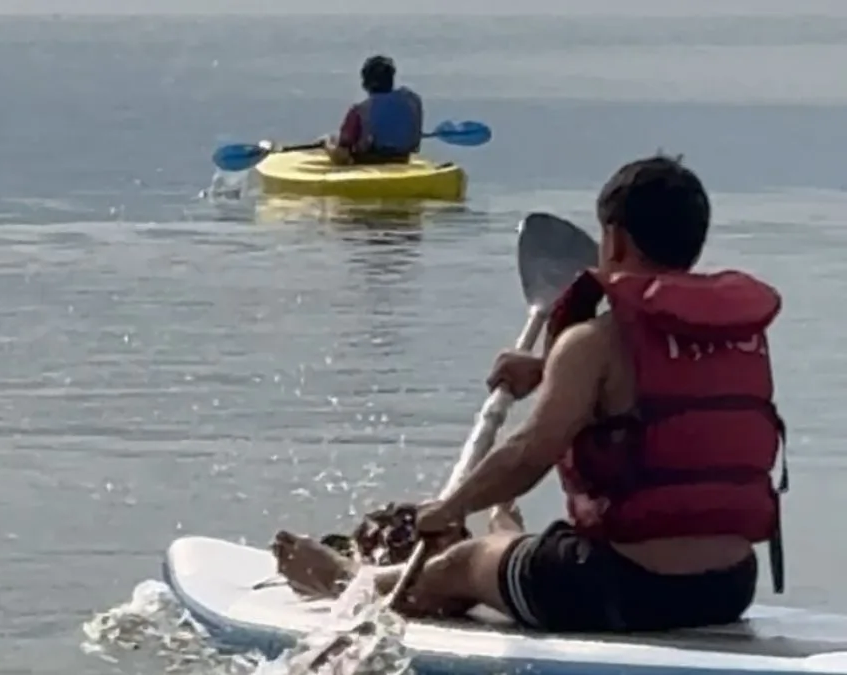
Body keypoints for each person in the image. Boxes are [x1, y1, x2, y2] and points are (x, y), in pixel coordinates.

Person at [271, 154, 788, 633]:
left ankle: (345, 582)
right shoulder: (734, 338)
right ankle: (504, 537)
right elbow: (659, 401)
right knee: (514, 545)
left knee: (463, 564)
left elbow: (528, 454)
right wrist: (547, 370)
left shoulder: (593, 341)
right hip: (728, 587)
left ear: (614, 239)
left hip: (619, 590)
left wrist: (450, 506)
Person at [323, 55, 424, 166]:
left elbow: (345, 143)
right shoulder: (412, 101)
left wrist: (328, 144)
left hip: (369, 161)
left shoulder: (359, 110)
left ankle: (324, 142)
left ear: (366, 84)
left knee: (333, 142)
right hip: (402, 158)